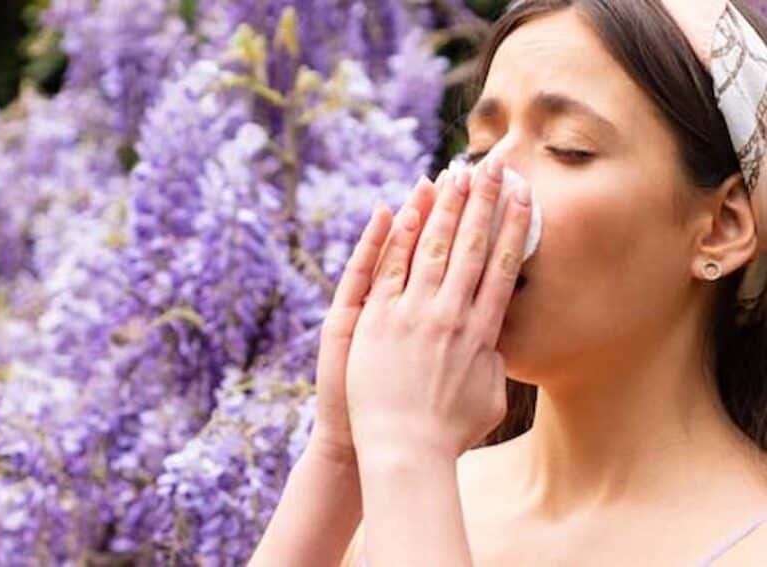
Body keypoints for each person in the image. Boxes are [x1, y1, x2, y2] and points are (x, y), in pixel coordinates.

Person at [249, 0, 767, 565]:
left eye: (569, 148)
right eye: (477, 148)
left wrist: (407, 449)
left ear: (720, 228)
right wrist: (340, 452)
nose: (487, 180)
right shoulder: (397, 494)